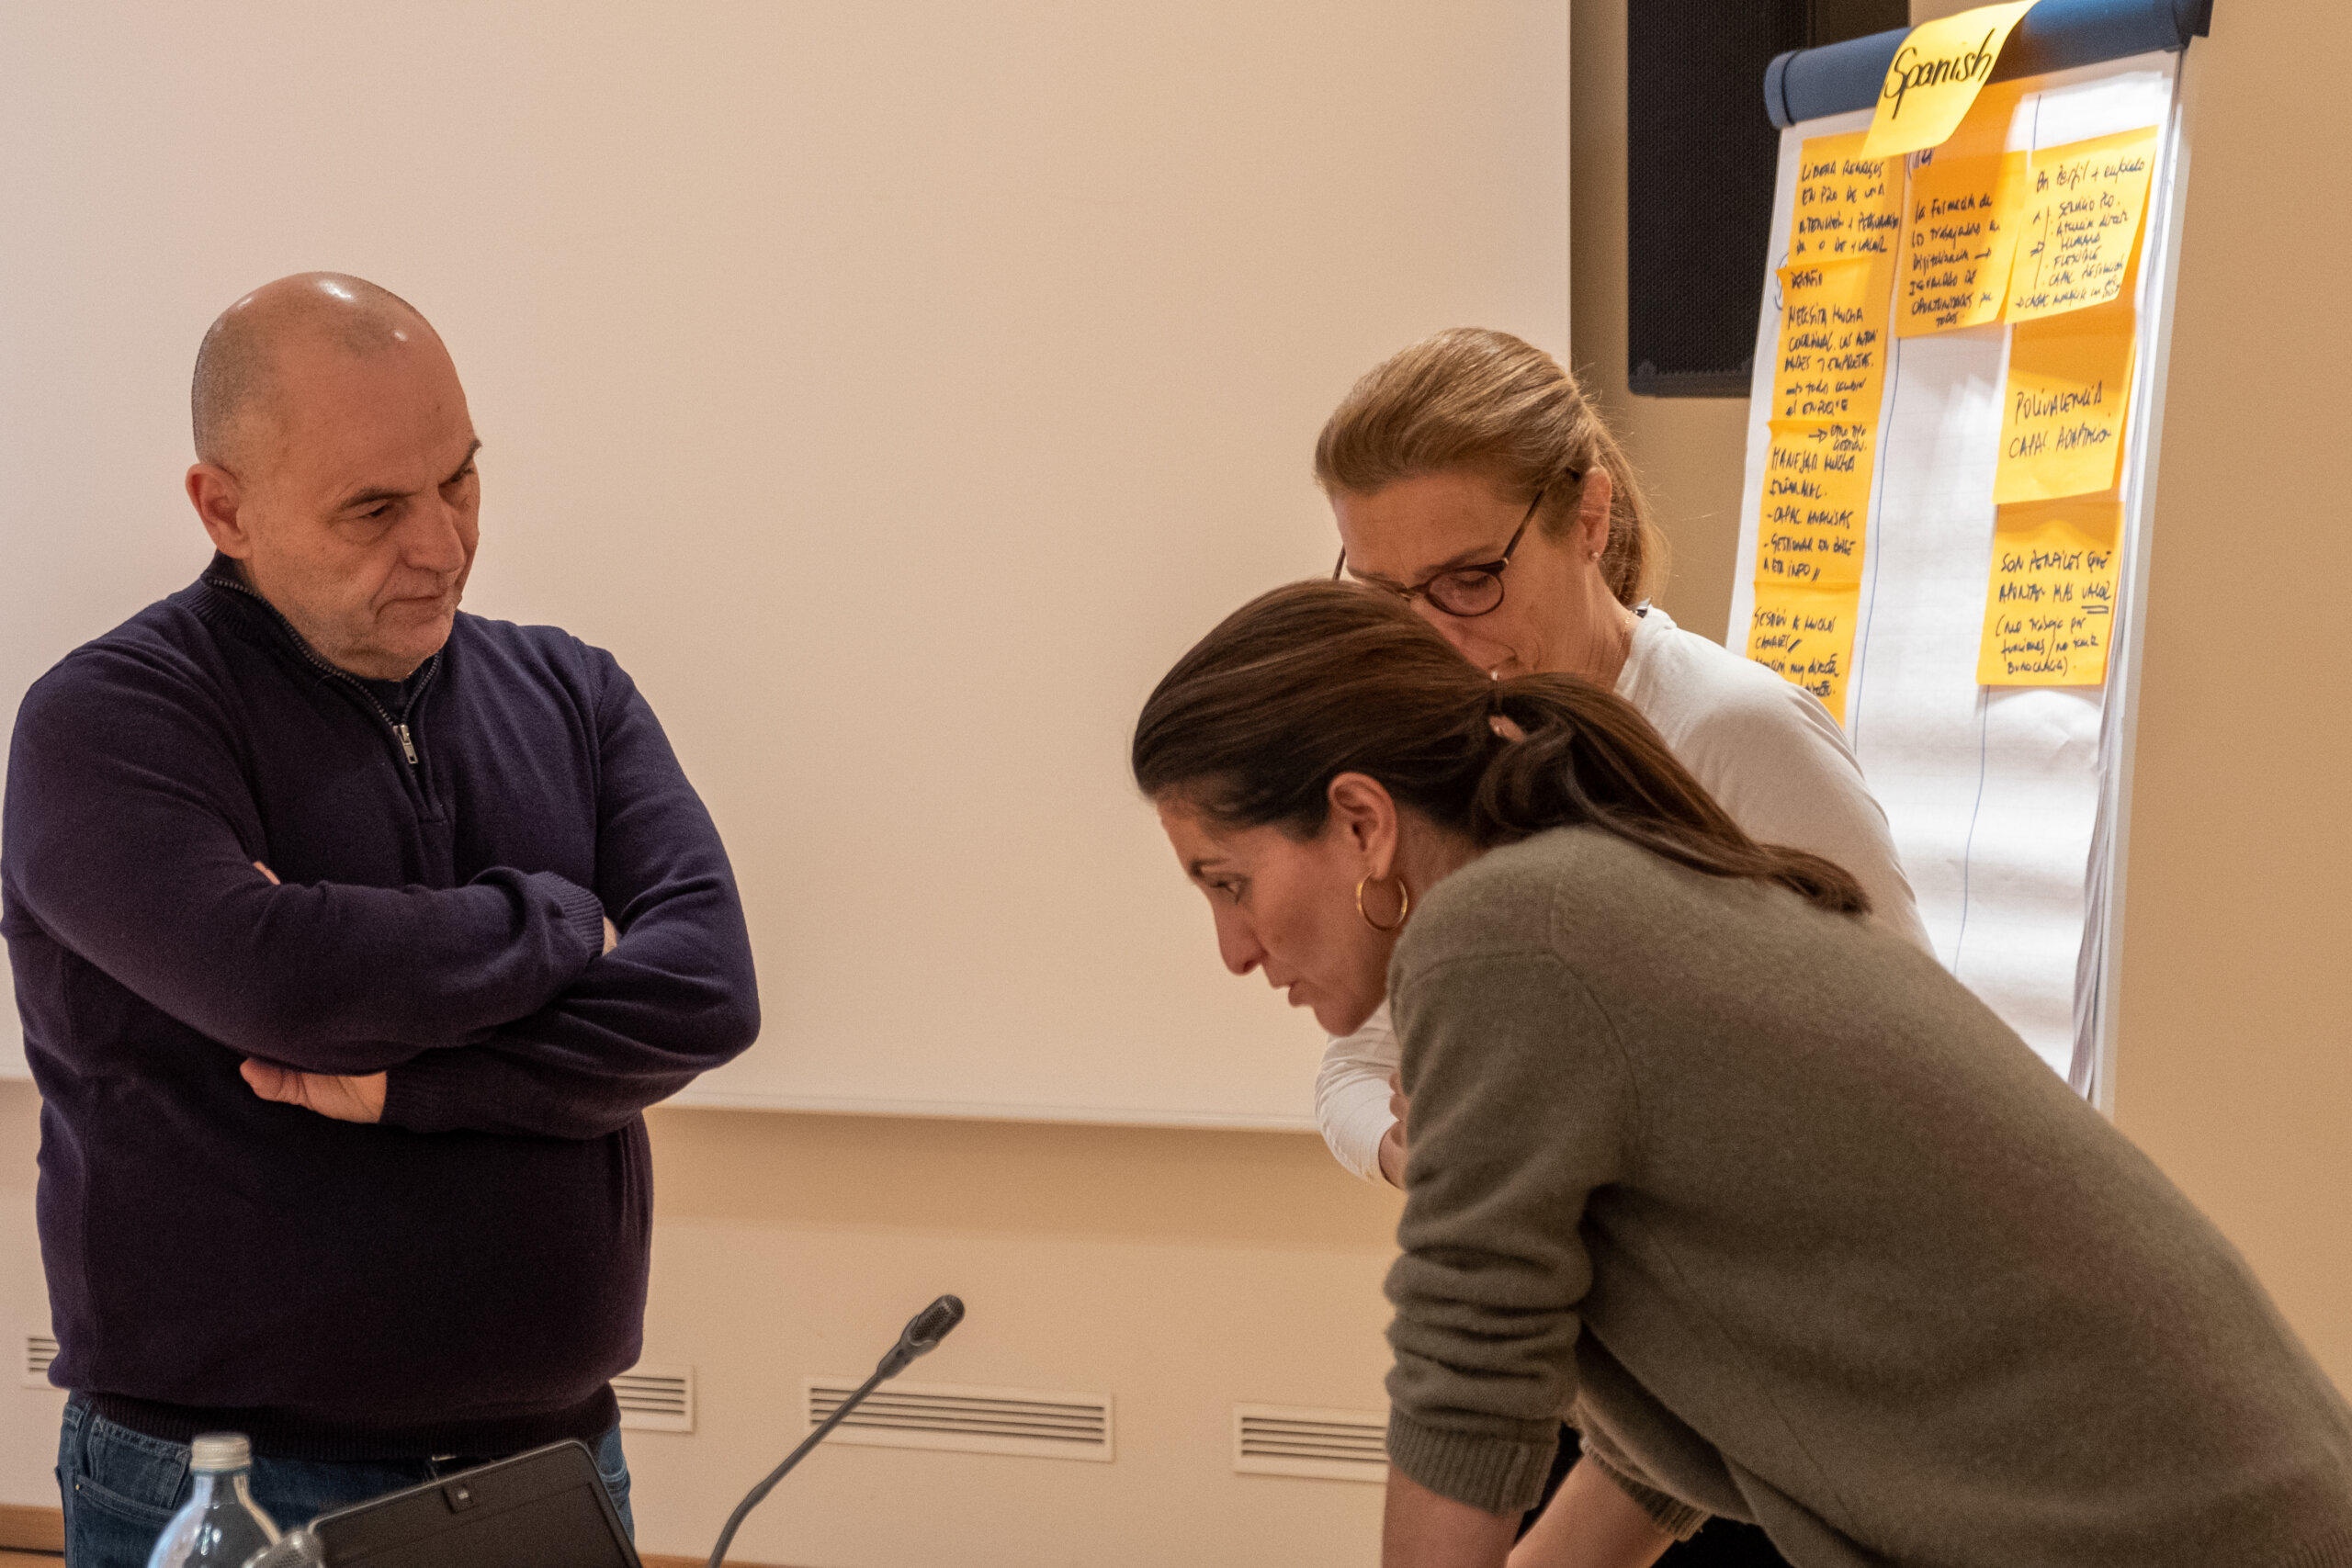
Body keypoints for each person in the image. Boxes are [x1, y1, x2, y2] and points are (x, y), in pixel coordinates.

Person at [1134, 580, 2352, 1568]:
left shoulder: (1507, 933)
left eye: (1227, 882)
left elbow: (1467, 1382)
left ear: (1361, 821)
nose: (1233, 949)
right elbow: (1680, 1425)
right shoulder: (1590, 897)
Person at [0, 274, 761, 1566]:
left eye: (460, 480)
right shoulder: (109, 722)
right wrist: (562, 922)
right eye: (374, 508)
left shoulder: (572, 692)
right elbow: (284, 985)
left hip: (553, 1457)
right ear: (224, 507)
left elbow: (704, 992)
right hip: (223, 1478)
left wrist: (410, 1084)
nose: (443, 544)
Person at [1310, 327, 1929, 1194]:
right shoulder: (1432, 756)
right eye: (1383, 594)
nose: (1430, 637)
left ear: (1590, 519)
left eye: (1470, 580)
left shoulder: (1734, 732)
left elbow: (1917, 1070)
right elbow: (1355, 1067)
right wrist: (1417, 1151)